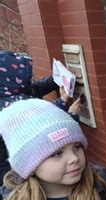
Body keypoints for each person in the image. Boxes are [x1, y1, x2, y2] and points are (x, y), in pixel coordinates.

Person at [0, 50, 80, 184]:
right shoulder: (9, 109)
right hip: (17, 177)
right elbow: (41, 133)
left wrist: (58, 78)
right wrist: (69, 113)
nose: (28, 81)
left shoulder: (10, 92)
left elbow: (35, 89)